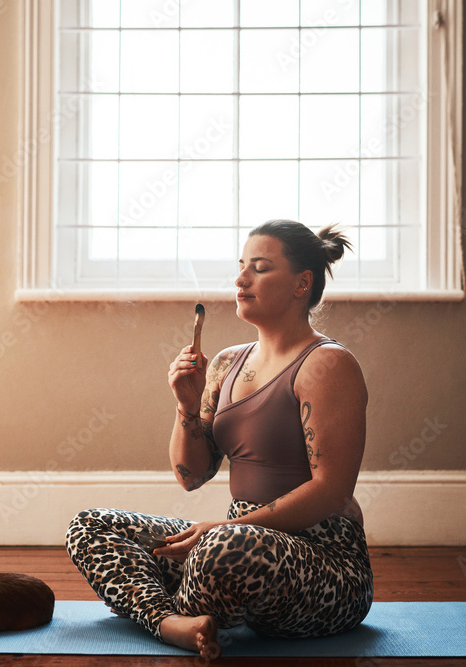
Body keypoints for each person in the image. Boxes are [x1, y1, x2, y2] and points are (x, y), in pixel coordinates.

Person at [65, 220, 373, 660]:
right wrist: (186, 406)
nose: (241, 279)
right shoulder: (227, 363)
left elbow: (333, 490)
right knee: (91, 525)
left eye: (260, 268)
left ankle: (158, 612)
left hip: (323, 562)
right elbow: (192, 475)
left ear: (302, 283)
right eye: (241, 266)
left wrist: (224, 530)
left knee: (219, 551)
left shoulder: (328, 365)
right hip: (232, 538)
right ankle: (171, 622)